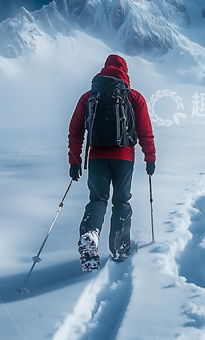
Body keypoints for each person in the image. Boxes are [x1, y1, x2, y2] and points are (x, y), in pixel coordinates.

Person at [68, 54, 156, 269]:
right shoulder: (133, 96)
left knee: (97, 200)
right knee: (121, 202)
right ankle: (119, 249)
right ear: (124, 71)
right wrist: (150, 157)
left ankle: (90, 233)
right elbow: (145, 131)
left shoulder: (89, 96)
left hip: (96, 156)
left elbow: (75, 130)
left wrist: (74, 160)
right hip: (124, 157)